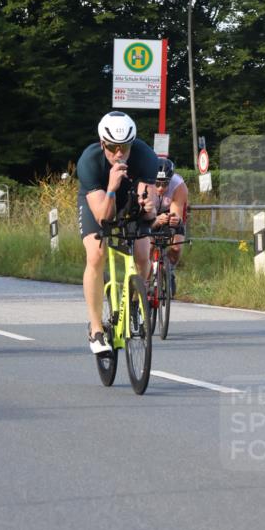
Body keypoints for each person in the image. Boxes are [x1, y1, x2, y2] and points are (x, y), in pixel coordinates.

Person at [77, 111, 158, 354]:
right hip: (99, 200)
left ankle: (135, 305)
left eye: (124, 146)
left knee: (143, 253)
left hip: (129, 200)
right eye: (112, 147)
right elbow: (103, 216)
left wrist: (149, 209)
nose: (119, 153)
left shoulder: (146, 157)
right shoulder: (89, 161)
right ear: (103, 144)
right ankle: (96, 329)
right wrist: (112, 186)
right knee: (96, 255)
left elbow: (149, 211)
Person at [150, 157, 188, 297]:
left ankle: (169, 270)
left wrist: (174, 220)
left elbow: (176, 213)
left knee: (176, 247)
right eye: (157, 183)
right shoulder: (146, 183)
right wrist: (155, 221)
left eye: (165, 184)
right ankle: (146, 279)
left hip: (170, 212)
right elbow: (145, 216)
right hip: (150, 214)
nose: (160, 188)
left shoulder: (179, 186)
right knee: (148, 246)